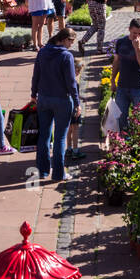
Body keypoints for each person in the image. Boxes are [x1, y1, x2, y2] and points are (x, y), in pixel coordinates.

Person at [30, 26, 79, 185]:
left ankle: (43, 170)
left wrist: (33, 94)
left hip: (44, 98)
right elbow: (71, 83)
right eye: (71, 41)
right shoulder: (66, 56)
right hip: (62, 100)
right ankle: (58, 174)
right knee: (60, 138)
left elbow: (36, 74)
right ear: (64, 39)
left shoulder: (42, 52)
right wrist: (77, 102)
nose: (71, 45)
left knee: (44, 135)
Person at [110, 17, 140, 131]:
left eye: (139, 33)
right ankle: (122, 144)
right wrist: (112, 80)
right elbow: (116, 62)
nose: (137, 36)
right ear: (129, 29)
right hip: (122, 86)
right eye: (134, 33)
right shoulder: (121, 42)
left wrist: (137, 48)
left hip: (138, 87)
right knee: (120, 118)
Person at [66, 58, 84, 162]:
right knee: (75, 129)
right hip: (74, 108)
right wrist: (78, 105)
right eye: (79, 70)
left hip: (66, 107)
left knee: (68, 129)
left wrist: (80, 96)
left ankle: (68, 149)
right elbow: (74, 95)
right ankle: (76, 151)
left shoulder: (65, 79)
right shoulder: (74, 82)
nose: (79, 73)